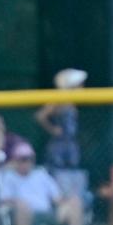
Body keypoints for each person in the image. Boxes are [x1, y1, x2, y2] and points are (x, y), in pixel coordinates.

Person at [0, 142, 87, 225]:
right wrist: (19, 202)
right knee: (22, 206)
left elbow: (57, 198)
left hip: (48, 213)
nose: (27, 162)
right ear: (15, 161)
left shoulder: (41, 174)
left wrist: (68, 200)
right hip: (24, 216)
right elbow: (4, 199)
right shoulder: (9, 177)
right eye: (23, 159)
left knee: (75, 202)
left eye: (29, 159)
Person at [36, 68, 87, 197]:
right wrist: (53, 129)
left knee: (72, 178)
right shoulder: (60, 99)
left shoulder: (72, 103)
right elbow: (40, 115)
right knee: (58, 178)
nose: (83, 87)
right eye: (80, 85)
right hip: (59, 145)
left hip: (70, 144)